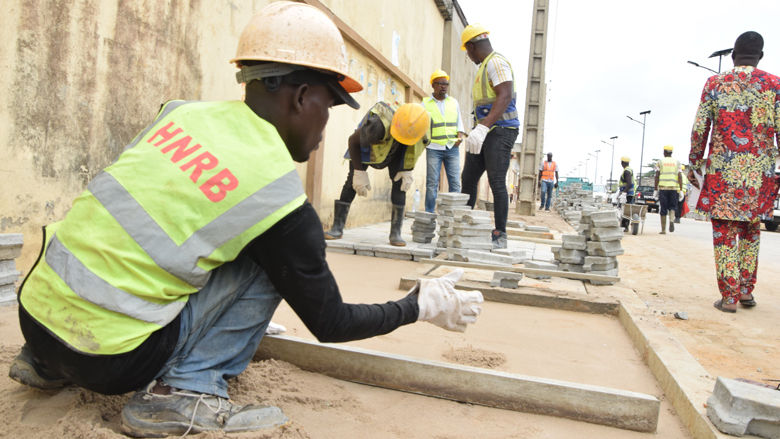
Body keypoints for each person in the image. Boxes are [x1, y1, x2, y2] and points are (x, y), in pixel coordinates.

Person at [9, 3, 484, 437]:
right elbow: (331, 322)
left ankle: (45, 367)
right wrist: (417, 306)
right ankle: (184, 393)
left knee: (213, 234)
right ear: (301, 96)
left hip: (35, 319)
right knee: (270, 257)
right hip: (110, 359)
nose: (327, 124)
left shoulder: (180, 115)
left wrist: (237, 318)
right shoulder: (276, 197)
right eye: (330, 104)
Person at [688, 31, 780, 313]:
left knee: (725, 234)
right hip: (759, 175)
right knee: (751, 232)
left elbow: (701, 126)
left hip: (723, 175)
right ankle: (745, 291)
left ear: (732, 55)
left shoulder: (715, 83)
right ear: (760, 57)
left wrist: (694, 162)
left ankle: (728, 297)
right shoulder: (774, 85)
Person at [324, 101, 431, 246]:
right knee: (351, 182)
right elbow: (353, 141)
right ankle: (337, 227)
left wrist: (407, 170)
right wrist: (359, 172)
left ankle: (395, 233)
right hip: (367, 145)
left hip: (399, 150)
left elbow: (416, 150)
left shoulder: (421, 128)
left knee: (400, 184)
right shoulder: (378, 124)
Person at [459, 24, 520, 249]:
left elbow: (504, 96)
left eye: (467, 50)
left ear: (472, 46)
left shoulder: (496, 63)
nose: (468, 55)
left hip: (502, 130)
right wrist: (480, 129)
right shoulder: (483, 67)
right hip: (485, 131)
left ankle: (499, 234)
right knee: (468, 178)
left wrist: (483, 127)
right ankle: (463, 228)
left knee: (496, 180)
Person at [422, 69, 465, 213]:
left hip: (452, 147)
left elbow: (459, 122)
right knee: (432, 183)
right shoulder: (425, 103)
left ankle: (454, 213)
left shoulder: (453, 102)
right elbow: (421, 124)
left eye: (446, 84)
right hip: (434, 147)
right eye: (440, 83)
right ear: (433, 85)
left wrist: (460, 136)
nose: (444, 86)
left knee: (455, 183)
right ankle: (429, 213)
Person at [654, 145, 682, 234]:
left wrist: (655, 189)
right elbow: (680, 176)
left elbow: (657, 176)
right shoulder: (677, 162)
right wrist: (680, 190)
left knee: (663, 208)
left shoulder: (660, 162)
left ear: (664, 152)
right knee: (672, 207)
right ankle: (671, 221)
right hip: (673, 188)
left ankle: (663, 230)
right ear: (671, 153)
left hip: (663, 188)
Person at [617, 157, 636, 231]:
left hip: (627, 194)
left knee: (625, 210)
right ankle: (625, 226)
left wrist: (624, 193)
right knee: (626, 210)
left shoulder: (626, 171)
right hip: (629, 193)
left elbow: (629, 183)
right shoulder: (629, 170)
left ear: (622, 163)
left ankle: (625, 226)